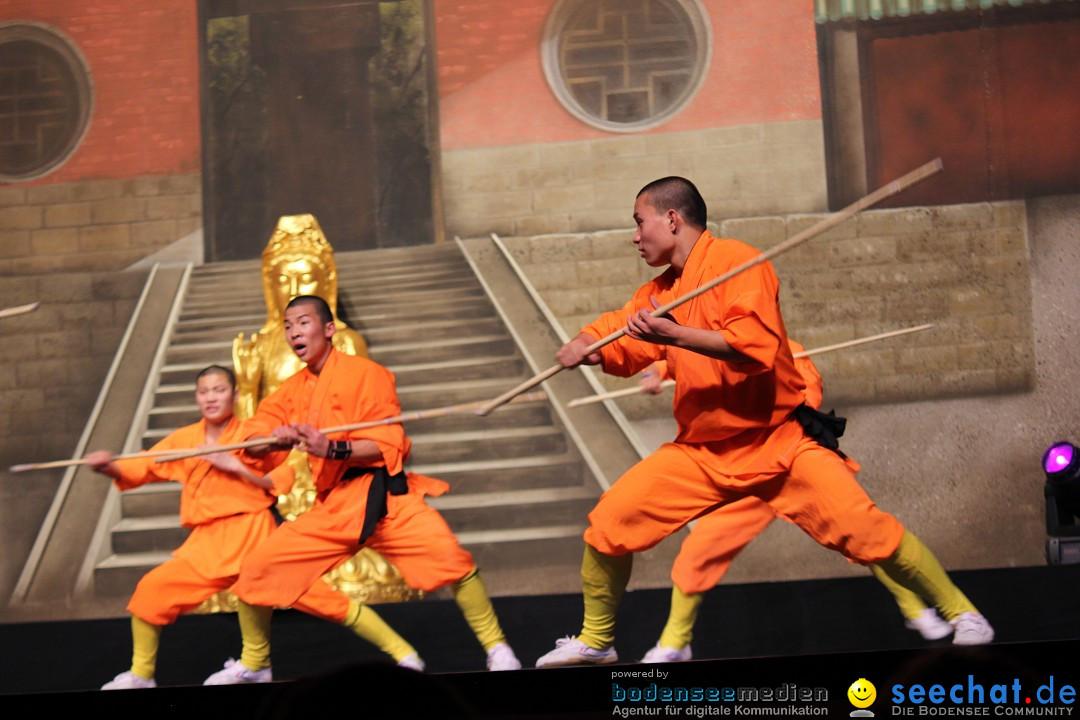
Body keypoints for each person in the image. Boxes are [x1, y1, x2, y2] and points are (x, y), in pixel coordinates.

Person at [536, 176, 993, 668]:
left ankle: (962, 614)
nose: (635, 235)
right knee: (611, 522)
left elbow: (753, 348)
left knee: (867, 530)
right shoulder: (662, 290)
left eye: (638, 221)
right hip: (704, 452)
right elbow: (622, 332)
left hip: (780, 441)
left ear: (672, 219)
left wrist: (676, 334)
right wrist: (588, 345)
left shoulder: (739, 262)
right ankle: (597, 642)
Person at [208, 295, 520, 683]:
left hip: (387, 497)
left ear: (328, 329)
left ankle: (498, 648)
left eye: (302, 323)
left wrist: (332, 447)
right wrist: (274, 439)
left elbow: (389, 440)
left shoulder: (367, 373)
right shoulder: (292, 389)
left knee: (451, 559)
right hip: (335, 506)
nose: (293, 333)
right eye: (288, 326)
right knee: (257, 568)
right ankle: (255, 665)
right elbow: (253, 437)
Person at [89, 365, 427, 690]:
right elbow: (142, 467)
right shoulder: (185, 439)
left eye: (219, 390)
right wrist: (109, 468)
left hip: (256, 537)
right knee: (152, 591)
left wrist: (234, 464)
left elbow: (280, 478)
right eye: (204, 391)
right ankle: (141, 674)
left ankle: (405, 654)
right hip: (208, 542)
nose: (211, 397)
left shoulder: (252, 436)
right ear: (196, 397)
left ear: (234, 394)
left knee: (329, 602)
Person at [636, 345, 954, 664]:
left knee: (863, 536)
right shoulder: (713, 349)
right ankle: (675, 640)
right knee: (701, 551)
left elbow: (809, 397)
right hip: (745, 475)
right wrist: (653, 373)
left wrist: (769, 402)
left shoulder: (789, 351)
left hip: (794, 471)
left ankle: (914, 610)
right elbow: (672, 360)